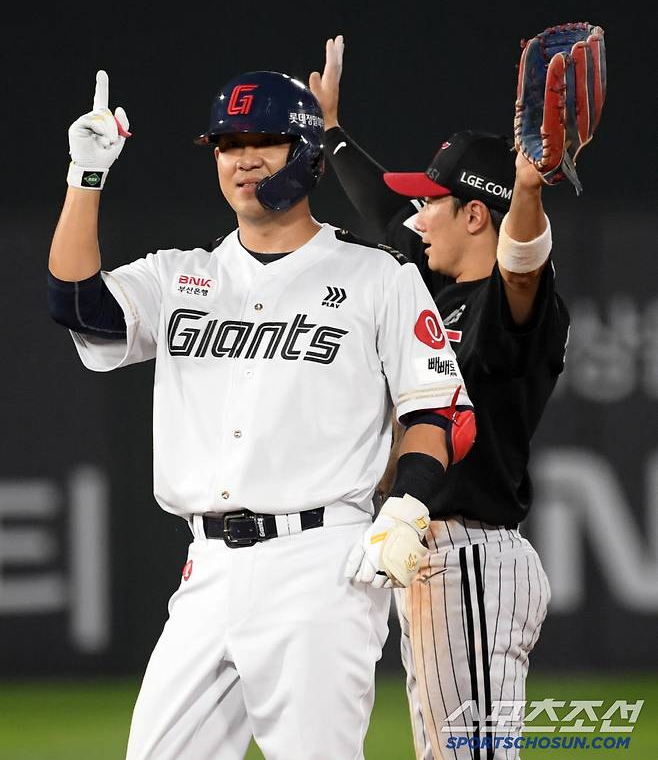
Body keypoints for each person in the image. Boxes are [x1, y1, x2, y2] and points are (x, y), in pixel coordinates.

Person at [48, 68, 475, 759]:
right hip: (208, 566)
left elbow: (439, 410)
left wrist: (407, 507)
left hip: (321, 565)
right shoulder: (181, 275)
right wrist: (85, 177)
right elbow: (77, 306)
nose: (242, 159)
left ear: (305, 153)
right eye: (227, 144)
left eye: (263, 141)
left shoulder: (376, 274)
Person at [310, 36, 570, 759]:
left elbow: (523, 264)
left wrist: (527, 192)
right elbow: (377, 208)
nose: (415, 218)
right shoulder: (435, 285)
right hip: (432, 556)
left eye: (430, 203)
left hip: (473, 557)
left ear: (476, 216)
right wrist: (331, 132)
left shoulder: (515, 308)